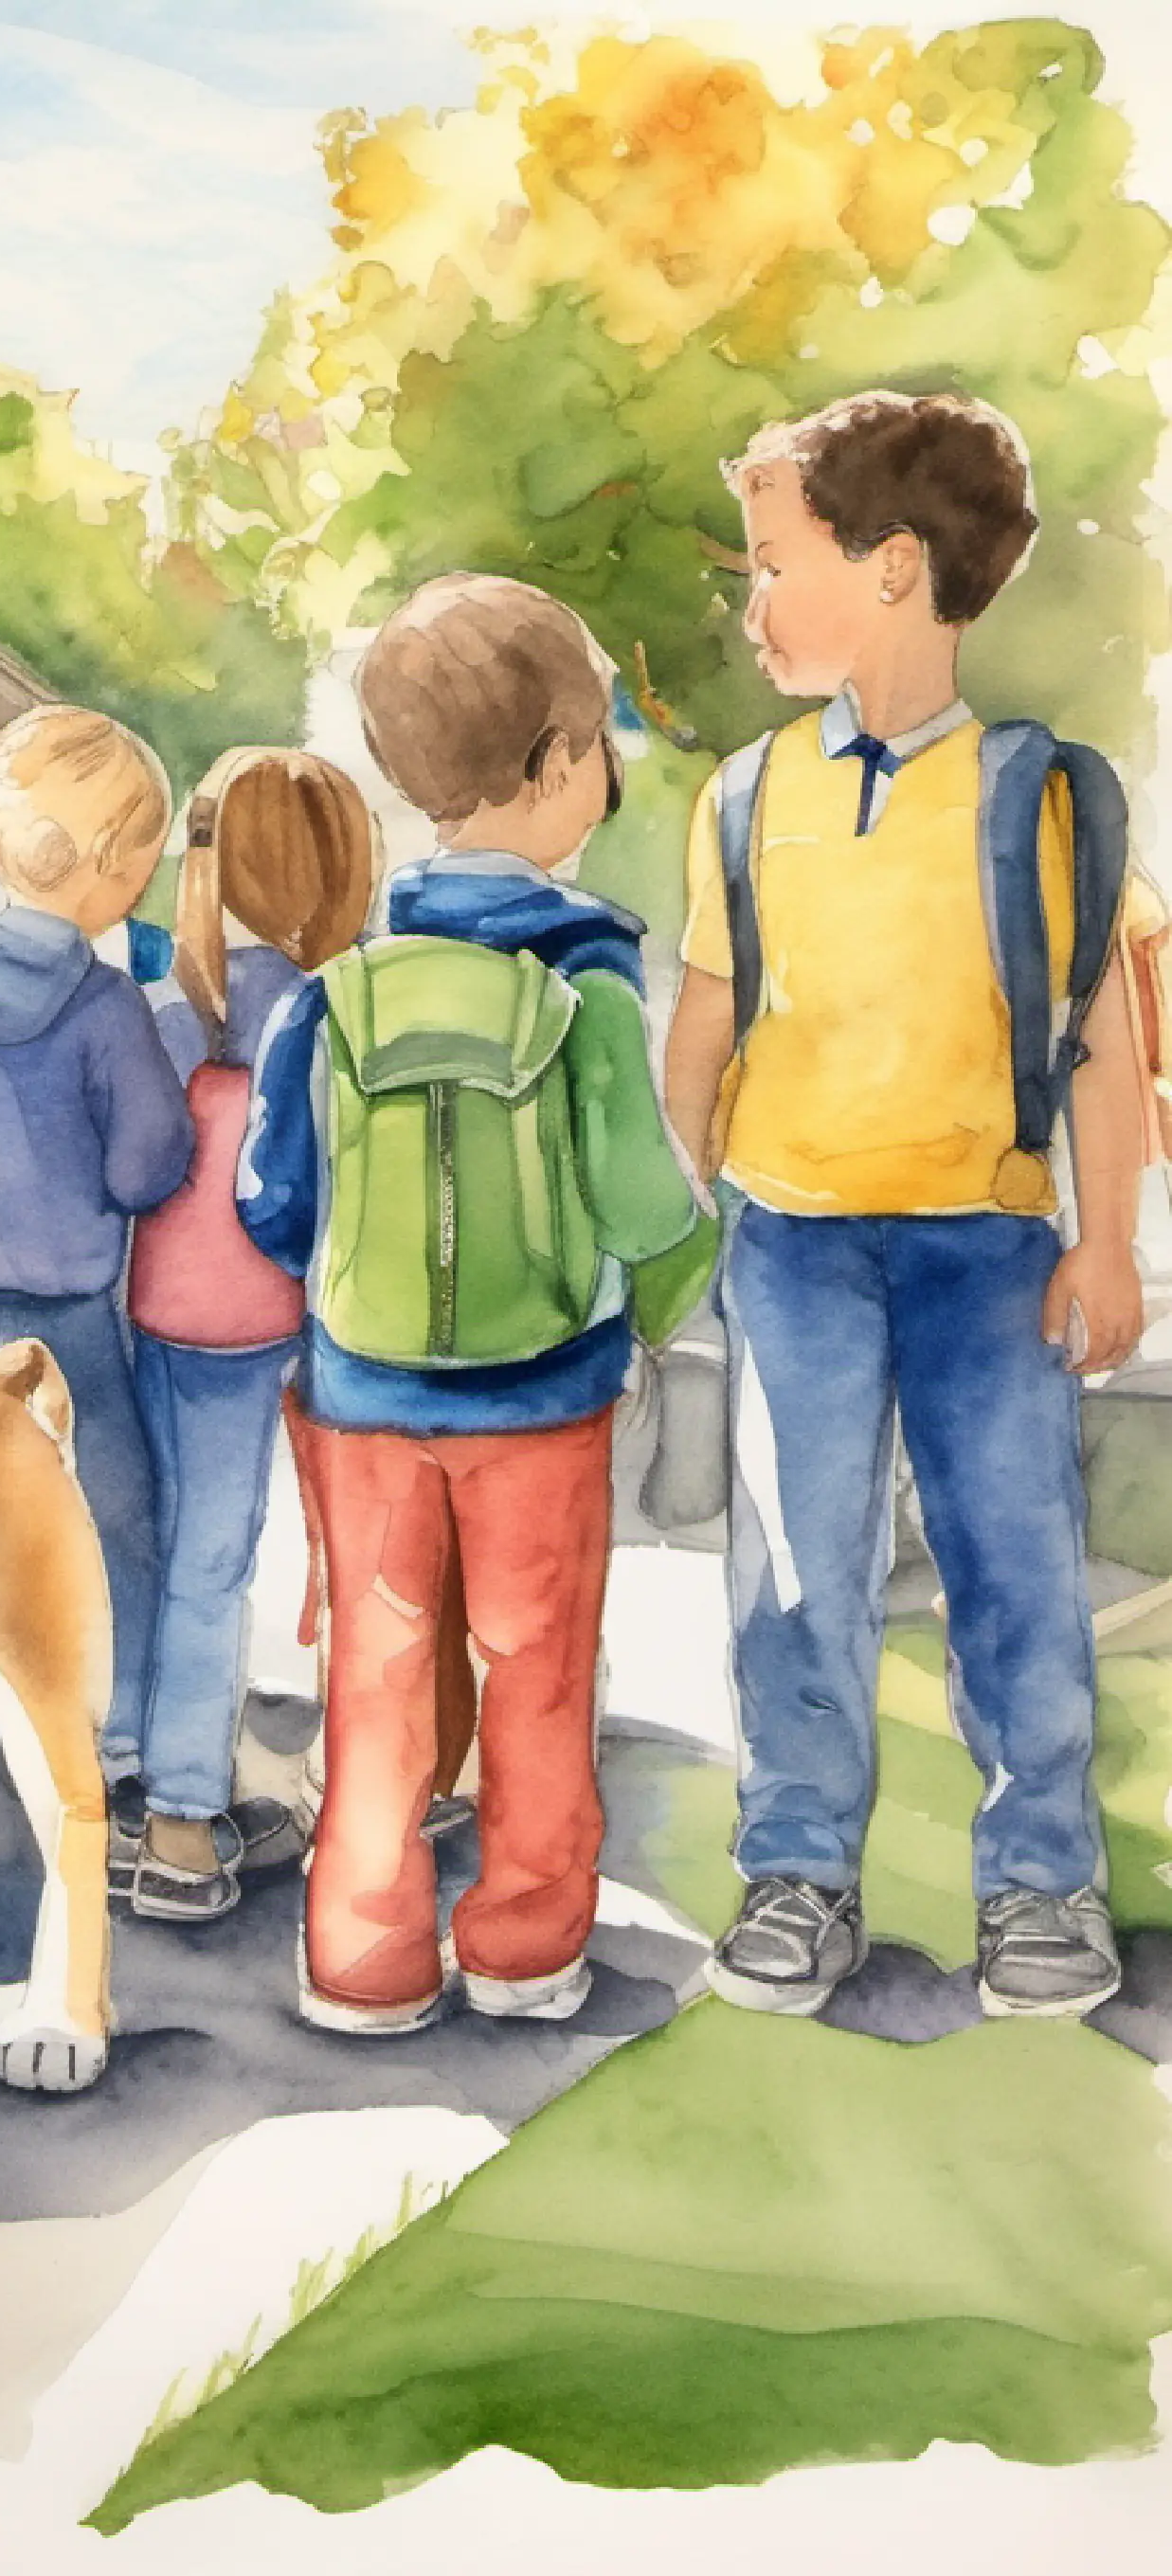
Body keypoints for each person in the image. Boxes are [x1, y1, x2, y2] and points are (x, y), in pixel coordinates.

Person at [661, 389, 1145, 2021]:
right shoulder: (739, 797)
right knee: (798, 1572)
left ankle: (1041, 1888)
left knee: (1013, 1565)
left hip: (982, 1248)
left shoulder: (1039, 794)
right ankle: (798, 1873)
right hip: (791, 1242)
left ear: (889, 570)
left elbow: (1101, 1049)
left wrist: (1109, 1244)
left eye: (771, 563)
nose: (749, 602)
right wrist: (714, 1184)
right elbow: (708, 1028)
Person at [241, 575, 705, 2035]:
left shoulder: (338, 988)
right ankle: (521, 1944)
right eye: (602, 755)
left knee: (376, 1679)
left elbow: (271, 1196)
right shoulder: (593, 979)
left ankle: (364, 1956)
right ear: (562, 760)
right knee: (537, 1674)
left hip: (364, 1399)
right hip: (545, 1397)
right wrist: (656, 1308)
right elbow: (645, 1201)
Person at [120, 749, 374, 1922]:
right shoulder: (332, 1009)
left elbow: (137, 1167)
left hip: (175, 1308)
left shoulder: (172, 1004)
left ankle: (166, 1797)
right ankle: (187, 1816)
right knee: (312, 1558)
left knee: (189, 1559)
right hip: (302, 1304)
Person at [0, 705, 194, 1800]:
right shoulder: (105, 1003)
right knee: (118, 1513)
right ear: (114, 867)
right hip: (77, 1306)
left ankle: (7, 1703)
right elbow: (144, 1165)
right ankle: (118, 1719)